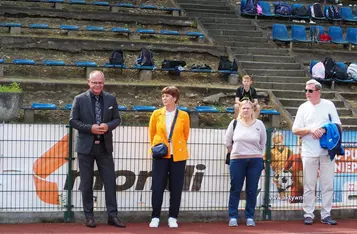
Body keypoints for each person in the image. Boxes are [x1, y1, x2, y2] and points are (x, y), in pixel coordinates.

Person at [69, 70, 125, 228]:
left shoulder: (111, 98)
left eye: (100, 82)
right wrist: (90, 128)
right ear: (89, 82)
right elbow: (73, 121)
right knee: (86, 183)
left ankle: (112, 216)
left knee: (110, 183)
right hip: (85, 148)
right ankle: (89, 216)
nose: (97, 85)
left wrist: (108, 126)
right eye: (94, 82)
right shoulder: (79, 99)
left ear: (103, 83)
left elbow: (117, 119)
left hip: (105, 148)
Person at [292, 79, 340, 225]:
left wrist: (324, 130)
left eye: (310, 91)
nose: (307, 93)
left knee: (328, 184)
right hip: (308, 151)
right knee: (309, 184)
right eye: (306, 90)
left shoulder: (329, 105)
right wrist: (310, 130)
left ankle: (326, 214)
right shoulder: (302, 107)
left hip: (327, 151)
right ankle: (308, 214)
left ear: (318, 92)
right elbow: (295, 129)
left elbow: (337, 124)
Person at [148, 86, 190, 228]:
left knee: (176, 187)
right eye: (163, 96)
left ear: (175, 98)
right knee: (157, 186)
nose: (164, 98)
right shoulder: (156, 114)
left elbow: (185, 135)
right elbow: (152, 133)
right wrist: (157, 147)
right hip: (160, 155)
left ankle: (173, 217)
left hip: (178, 156)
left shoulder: (184, 115)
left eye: (167, 96)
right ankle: (155, 216)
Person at [225, 100, 267, 227]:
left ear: (253, 110)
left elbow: (263, 142)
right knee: (235, 188)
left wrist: (254, 153)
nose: (246, 110)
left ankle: (250, 216)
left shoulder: (259, 124)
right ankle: (233, 216)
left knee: (251, 190)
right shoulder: (234, 123)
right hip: (237, 160)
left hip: (255, 161)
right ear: (240, 110)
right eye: (243, 108)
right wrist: (237, 153)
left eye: (248, 108)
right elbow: (228, 142)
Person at [270, 131, 293, 199]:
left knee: (288, 183)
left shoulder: (288, 150)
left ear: (282, 139)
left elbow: (292, 161)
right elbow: (265, 160)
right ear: (273, 141)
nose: (278, 143)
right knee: (278, 182)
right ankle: (282, 196)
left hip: (287, 172)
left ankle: (288, 197)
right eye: (276, 141)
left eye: (280, 140)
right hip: (277, 172)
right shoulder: (270, 151)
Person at [283, 137, 303, 203]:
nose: (301, 148)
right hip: (296, 186)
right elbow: (285, 169)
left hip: (309, 187)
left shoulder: (313, 158)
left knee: (310, 204)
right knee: (294, 203)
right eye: (301, 146)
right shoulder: (294, 157)